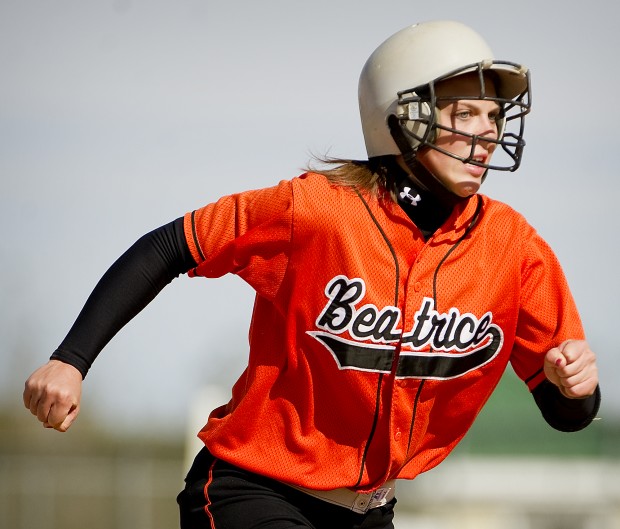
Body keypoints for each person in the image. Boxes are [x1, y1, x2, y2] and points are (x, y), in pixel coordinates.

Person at [23, 20, 600, 529]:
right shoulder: (319, 210)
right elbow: (170, 246)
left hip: (370, 511)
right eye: (464, 113)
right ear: (401, 117)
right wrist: (71, 359)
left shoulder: (514, 247)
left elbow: (566, 415)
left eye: (494, 116)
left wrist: (576, 387)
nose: (487, 132)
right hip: (251, 490)